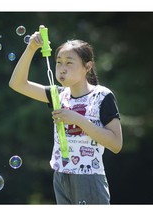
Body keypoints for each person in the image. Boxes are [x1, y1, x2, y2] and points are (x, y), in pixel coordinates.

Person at [9, 25, 123, 204]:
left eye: (69, 62)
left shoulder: (102, 96)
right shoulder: (58, 96)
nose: (62, 68)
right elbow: (17, 83)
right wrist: (30, 49)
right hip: (61, 176)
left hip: (89, 177)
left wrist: (78, 119)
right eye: (59, 62)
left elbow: (116, 144)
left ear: (88, 66)